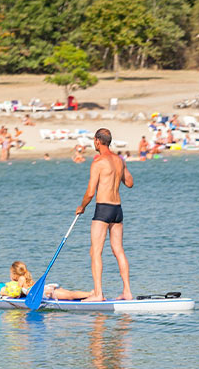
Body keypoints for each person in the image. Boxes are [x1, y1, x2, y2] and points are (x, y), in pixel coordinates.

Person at [76, 128, 134, 301]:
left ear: (97, 141)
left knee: (95, 252)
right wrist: (119, 170)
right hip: (117, 210)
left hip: (103, 209)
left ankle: (98, 294)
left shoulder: (98, 162)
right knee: (119, 251)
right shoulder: (119, 160)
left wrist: (82, 206)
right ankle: (127, 292)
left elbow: (90, 192)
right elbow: (130, 183)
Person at [11, 261, 92, 300]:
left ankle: (90, 294)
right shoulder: (27, 278)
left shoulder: (21, 279)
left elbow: (17, 294)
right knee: (70, 293)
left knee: (70, 296)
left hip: (45, 292)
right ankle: (90, 294)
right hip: (47, 288)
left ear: (14, 274)